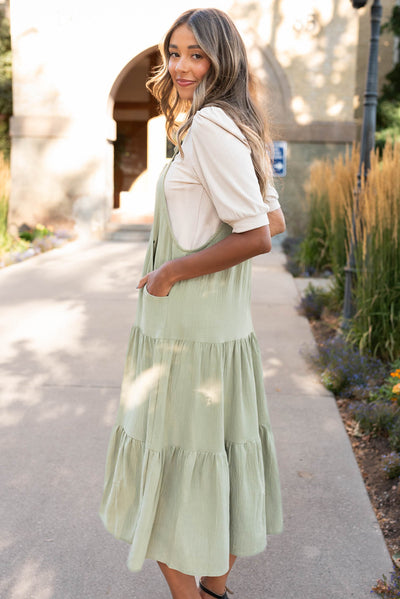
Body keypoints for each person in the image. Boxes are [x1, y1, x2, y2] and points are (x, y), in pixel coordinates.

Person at [99, 7, 285, 599]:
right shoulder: (242, 123)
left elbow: (257, 233)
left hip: (186, 331)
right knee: (220, 465)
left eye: (195, 54)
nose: (180, 65)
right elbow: (273, 217)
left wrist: (170, 271)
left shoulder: (209, 126)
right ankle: (214, 591)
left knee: (169, 476)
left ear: (220, 59)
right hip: (220, 331)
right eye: (174, 51)